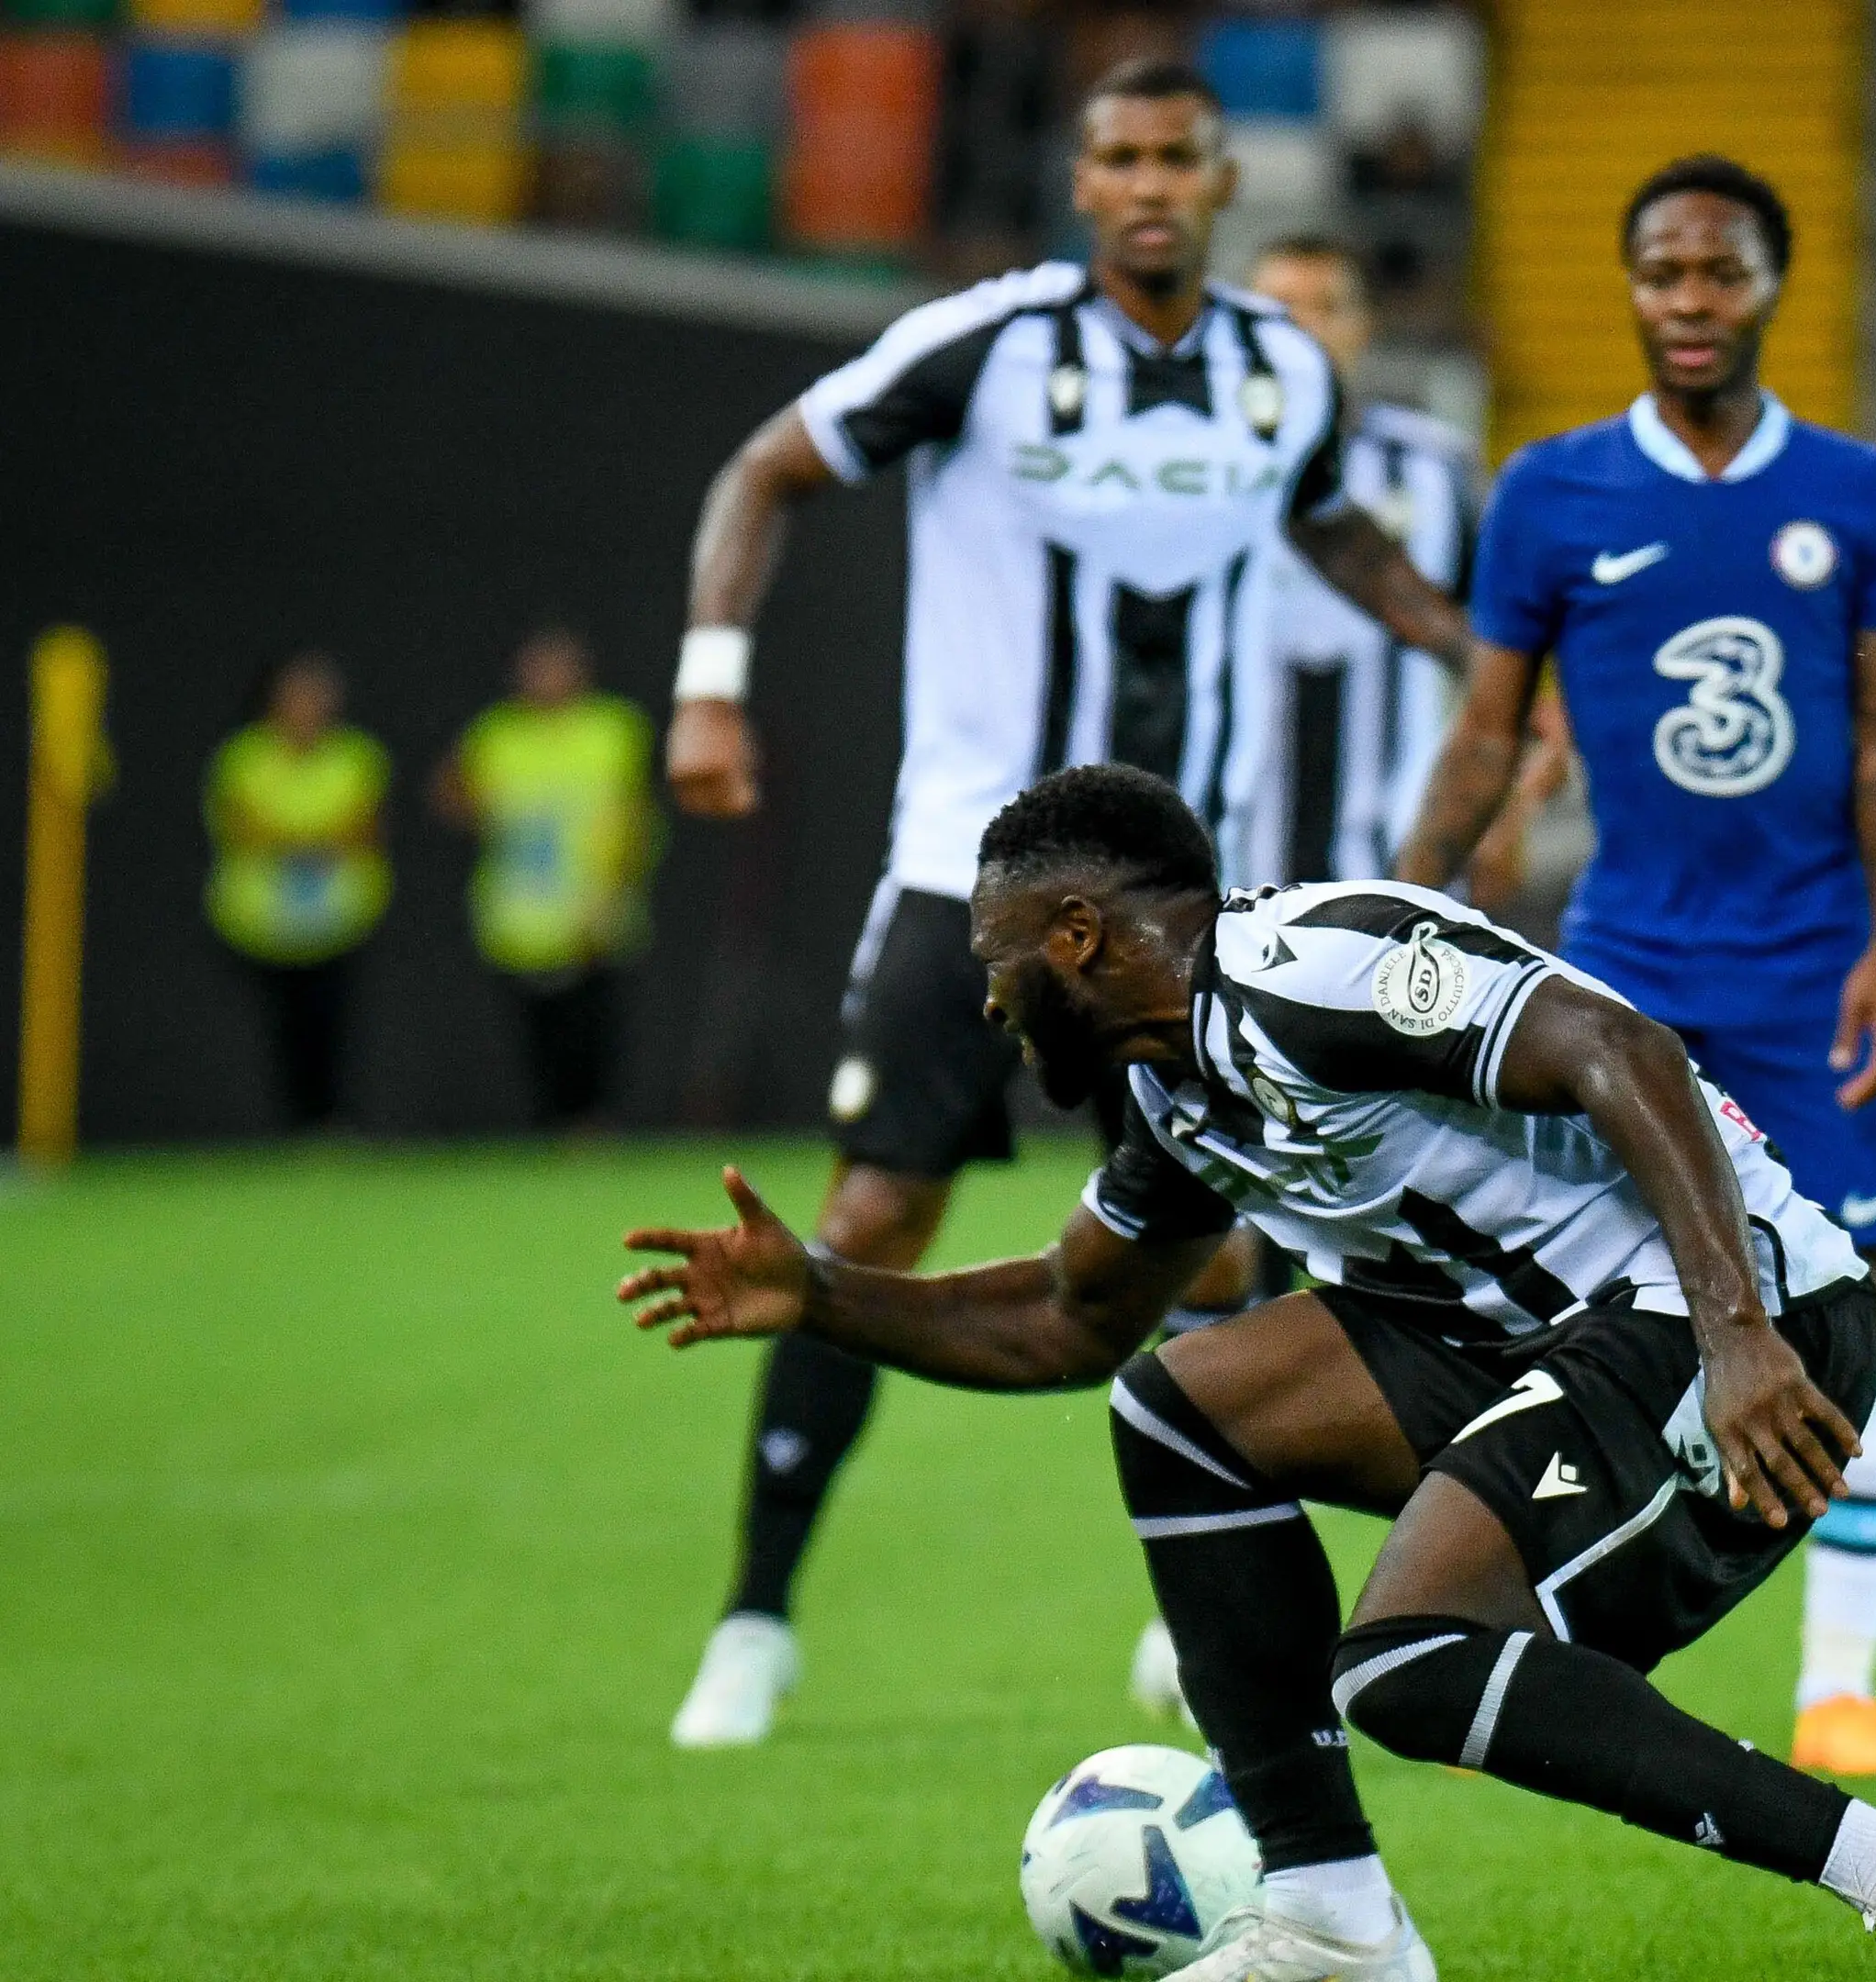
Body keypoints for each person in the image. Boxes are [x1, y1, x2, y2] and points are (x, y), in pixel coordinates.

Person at [614, 763, 1876, 1982]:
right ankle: (1330, 1913)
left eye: (995, 961)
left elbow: (1620, 1048)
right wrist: (822, 1294)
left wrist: (1737, 1333)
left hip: (1736, 1318)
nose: (987, 1004)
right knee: (1176, 1412)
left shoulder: (1316, 969)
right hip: (1531, 1339)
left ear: (1074, 934)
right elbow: (1066, 1317)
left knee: (1407, 1664)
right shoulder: (1183, 1094)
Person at [653, 57, 1475, 1750]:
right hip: (970, 880)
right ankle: (755, 1616)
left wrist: (1489, 676)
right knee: (872, 1221)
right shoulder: (991, 346)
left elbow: (1345, 546)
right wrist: (711, 682)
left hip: (1193, 915)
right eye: (1121, 157)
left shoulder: (1275, 375)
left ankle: (1212, 1618)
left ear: (1221, 177)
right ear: (1082, 182)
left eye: (1181, 154)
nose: (1153, 182)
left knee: (1229, 1242)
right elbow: (761, 469)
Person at [1391, 157, 1876, 1780]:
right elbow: (1490, 730)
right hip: (1621, 978)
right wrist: (1405, 913)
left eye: (1720, 272)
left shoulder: (1855, 492)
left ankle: (1842, 1688)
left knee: (1868, 1306)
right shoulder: (1551, 492)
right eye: (1663, 273)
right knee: (1541, 1296)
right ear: (1630, 286)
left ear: (1771, 283)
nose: (1690, 302)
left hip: (1814, 967)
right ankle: (1504, 1597)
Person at [1236, 233, 1487, 888]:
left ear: (1364, 325)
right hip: (1231, 852)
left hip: (1399, 858)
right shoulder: (1200, 471)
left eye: (1327, 306)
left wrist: (1504, 808)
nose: (1302, 327)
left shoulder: (1434, 467)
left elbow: (1495, 649)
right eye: (1280, 307)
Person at [435, 628, 657, 1131]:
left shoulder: (613, 726)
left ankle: (591, 1126)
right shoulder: (497, 732)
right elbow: (450, 791)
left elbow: (636, 814)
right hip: (521, 914)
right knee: (536, 1033)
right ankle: (549, 1128)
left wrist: (616, 887)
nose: (549, 680)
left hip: (593, 903)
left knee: (594, 1023)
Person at [205, 650, 390, 1130]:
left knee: (329, 1024)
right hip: (260, 923)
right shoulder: (243, 756)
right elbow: (241, 828)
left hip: (337, 918)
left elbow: (364, 830)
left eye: (317, 698)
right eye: (297, 697)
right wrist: (316, 838)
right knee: (277, 1028)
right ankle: (277, 1128)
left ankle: (325, 1125)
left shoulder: (355, 754)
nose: (307, 708)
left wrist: (289, 836)